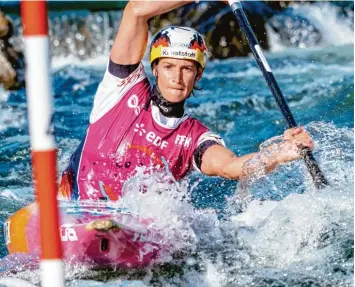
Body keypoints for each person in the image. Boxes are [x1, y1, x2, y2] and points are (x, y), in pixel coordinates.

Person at [59, 1, 314, 201]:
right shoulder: (121, 88)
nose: (177, 78)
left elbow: (230, 167)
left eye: (187, 69)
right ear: (155, 68)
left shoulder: (195, 137)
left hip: (130, 231)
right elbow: (135, 11)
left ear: (198, 74)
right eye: (169, 66)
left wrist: (279, 153)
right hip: (76, 208)